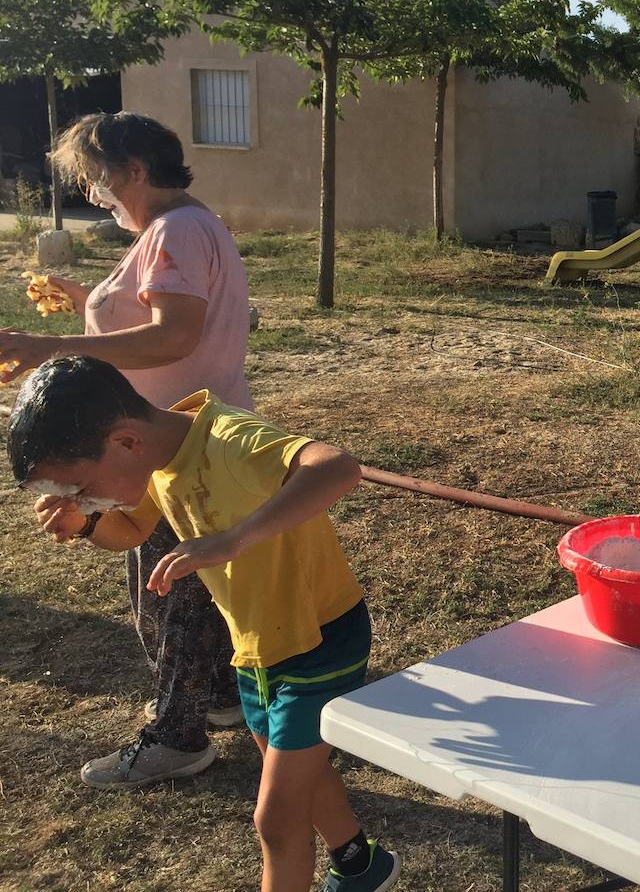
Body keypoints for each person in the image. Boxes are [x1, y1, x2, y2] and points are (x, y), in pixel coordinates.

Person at [10, 356, 399, 892]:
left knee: (275, 817)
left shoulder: (230, 436)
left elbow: (337, 468)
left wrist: (232, 539)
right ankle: (360, 862)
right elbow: (126, 531)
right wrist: (86, 524)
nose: (82, 499)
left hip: (320, 636)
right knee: (289, 770)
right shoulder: (157, 460)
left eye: (81, 488)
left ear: (125, 441)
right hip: (258, 644)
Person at [0, 111, 251, 788]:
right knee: (182, 589)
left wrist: (51, 347)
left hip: (172, 443)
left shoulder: (178, 230)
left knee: (167, 593)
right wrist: (88, 302)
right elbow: (156, 318)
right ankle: (217, 696)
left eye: (97, 177)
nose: (93, 193)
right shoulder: (181, 228)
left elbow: (174, 337)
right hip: (169, 439)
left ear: (135, 171)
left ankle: (178, 735)